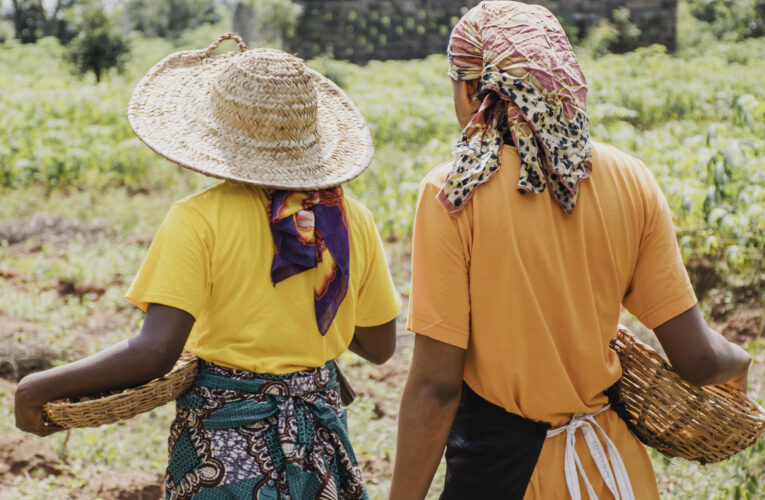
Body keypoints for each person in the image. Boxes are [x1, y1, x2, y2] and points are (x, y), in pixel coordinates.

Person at [14, 34, 401, 499]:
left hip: (222, 447)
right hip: (317, 441)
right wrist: (314, 314)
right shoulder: (348, 219)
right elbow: (379, 346)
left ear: (215, 133)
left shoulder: (197, 219)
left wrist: (37, 387)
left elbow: (155, 351)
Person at [390, 3, 751, 499]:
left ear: (474, 89)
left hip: (503, 476)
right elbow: (699, 359)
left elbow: (436, 388)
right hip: (612, 471)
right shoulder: (630, 179)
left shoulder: (454, 194)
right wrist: (741, 359)